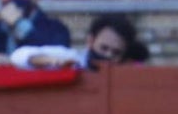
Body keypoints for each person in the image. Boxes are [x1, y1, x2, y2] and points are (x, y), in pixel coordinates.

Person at [11, 12, 147, 71]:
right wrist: (51, 61)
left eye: (116, 52)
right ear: (90, 41)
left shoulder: (128, 70)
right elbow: (18, 56)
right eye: (103, 48)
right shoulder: (71, 59)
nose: (108, 56)